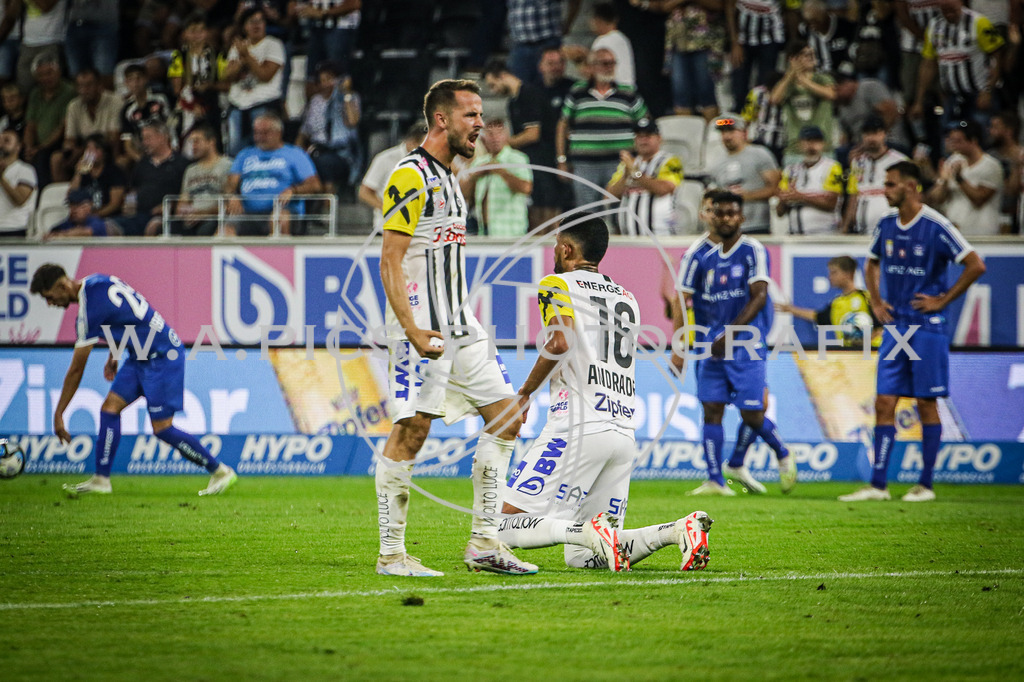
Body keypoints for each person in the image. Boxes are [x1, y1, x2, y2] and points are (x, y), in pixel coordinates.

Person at [375, 79, 533, 577]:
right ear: (442, 119)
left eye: (481, 115)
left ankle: (484, 543)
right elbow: (390, 259)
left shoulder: (450, 178)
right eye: (471, 115)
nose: (480, 124)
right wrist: (412, 330)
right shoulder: (410, 175)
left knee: (508, 416)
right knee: (413, 431)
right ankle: (391, 554)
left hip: (461, 324)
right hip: (423, 327)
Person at [496, 212, 714, 572]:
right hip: (622, 431)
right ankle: (678, 531)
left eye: (555, 245)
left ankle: (588, 532)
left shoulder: (557, 283)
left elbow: (560, 340)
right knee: (585, 559)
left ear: (566, 249)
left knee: (498, 529)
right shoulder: (626, 297)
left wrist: (524, 394)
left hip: (577, 427)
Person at [839, 161, 986, 502]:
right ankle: (878, 485)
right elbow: (872, 262)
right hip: (895, 326)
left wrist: (943, 300)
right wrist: (876, 302)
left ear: (911, 187)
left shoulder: (936, 224)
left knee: (925, 402)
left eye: (890, 184)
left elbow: (975, 263)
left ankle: (926, 484)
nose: (885, 190)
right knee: (884, 400)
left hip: (926, 327)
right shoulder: (886, 223)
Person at [29, 264, 238, 497]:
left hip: (162, 356)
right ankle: (101, 479)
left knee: (162, 428)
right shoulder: (98, 281)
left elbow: (76, 370)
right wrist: (114, 355)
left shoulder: (88, 310)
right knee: (109, 409)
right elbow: (125, 318)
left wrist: (59, 414)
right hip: (139, 357)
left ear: (62, 285)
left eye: (49, 297)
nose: (50, 303)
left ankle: (220, 470)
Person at [671, 189, 789, 496]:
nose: (724, 218)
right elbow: (681, 300)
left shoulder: (754, 250)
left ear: (741, 217)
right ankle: (715, 479)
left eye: (731, 213)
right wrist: (679, 346)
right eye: (718, 212)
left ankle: (781, 451)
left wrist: (731, 333)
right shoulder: (696, 254)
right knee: (711, 409)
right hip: (710, 345)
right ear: (709, 214)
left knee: (752, 412)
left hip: (747, 344)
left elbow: (760, 295)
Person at [556, 48, 648, 209]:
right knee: (587, 215)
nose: (609, 67)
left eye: (612, 63)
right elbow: (562, 125)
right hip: (585, 165)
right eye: (605, 63)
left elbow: (645, 124)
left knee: (618, 212)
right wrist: (562, 159)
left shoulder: (628, 93)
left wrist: (639, 158)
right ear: (592, 66)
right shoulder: (577, 92)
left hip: (618, 164)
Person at [909, 0, 1004, 128]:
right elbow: (928, 64)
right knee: (948, 137)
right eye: (945, 10)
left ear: (960, 3)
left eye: (952, 10)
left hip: (977, 94)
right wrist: (918, 100)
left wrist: (987, 91)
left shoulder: (980, 22)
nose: (949, 14)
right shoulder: (933, 26)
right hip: (951, 97)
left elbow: (997, 57)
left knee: (981, 134)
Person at [225, 113, 321, 236]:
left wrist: (293, 190)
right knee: (225, 230)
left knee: (279, 220)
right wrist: (232, 196)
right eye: (256, 132)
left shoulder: (295, 154)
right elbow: (230, 184)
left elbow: (315, 185)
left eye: (265, 133)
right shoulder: (245, 154)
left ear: (279, 132)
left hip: (283, 210)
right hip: (247, 212)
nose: (259, 137)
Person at [482, 58, 550, 230]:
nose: (494, 91)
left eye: (493, 84)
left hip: (543, 160)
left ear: (502, 76)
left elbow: (533, 134)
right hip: (529, 160)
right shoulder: (513, 102)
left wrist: (504, 143)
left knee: (546, 213)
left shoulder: (529, 94)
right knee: (534, 212)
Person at [775, 255, 880, 348]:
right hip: (849, 357)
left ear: (848, 274)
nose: (829, 277)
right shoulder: (837, 302)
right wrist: (791, 309)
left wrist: (863, 343)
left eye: (834, 272)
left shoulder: (866, 298)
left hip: (872, 355)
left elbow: (882, 327)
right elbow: (818, 317)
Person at [606, 117, 683, 236]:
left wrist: (636, 174)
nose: (643, 140)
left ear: (659, 138)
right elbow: (608, 196)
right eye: (639, 136)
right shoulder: (626, 165)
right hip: (629, 237)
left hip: (661, 235)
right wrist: (626, 175)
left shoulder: (670, 161)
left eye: (648, 136)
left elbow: (664, 189)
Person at [223, 7, 285, 156]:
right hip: (238, 105)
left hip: (263, 105)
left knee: (262, 150)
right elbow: (227, 76)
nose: (256, 25)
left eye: (260, 21)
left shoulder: (273, 44)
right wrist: (240, 63)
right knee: (234, 152)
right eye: (252, 22)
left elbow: (265, 75)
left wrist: (246, 56)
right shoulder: (237, 46)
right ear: (244, 26)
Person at [925, 120, 1004, 235]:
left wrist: (959, 179)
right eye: (951, 140)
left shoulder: (991, 166)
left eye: (958, 141)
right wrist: (943, 181)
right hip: (954, 231)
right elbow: (936, 199)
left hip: (982, 232)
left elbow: (978, 199)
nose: (953, 145)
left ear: (973, 141)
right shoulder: (952, 161)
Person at [295, 61, 362, 197]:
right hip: (316, 150)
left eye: (330, 79)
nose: (326, 84)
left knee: (324, 164)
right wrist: (296, 153)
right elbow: (304, 132)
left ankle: (328, 205)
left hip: (341, 154)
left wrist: (345, 94)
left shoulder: (350, 97)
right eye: (322, 80)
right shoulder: (315, 101)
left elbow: (352, 121)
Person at [707, 116, 781, 234]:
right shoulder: (717, 162)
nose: (727, 136)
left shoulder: (760, 154)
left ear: (744, 133)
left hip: (757, 224)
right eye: (723, 132)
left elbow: (776, 188)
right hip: (728, 228)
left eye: (731, 131)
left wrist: (747, 196)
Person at [462, 118, 533, 238]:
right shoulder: (480, 163)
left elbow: (526, 188)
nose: (495, 138)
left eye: (499, 133)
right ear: (483, 138)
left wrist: (501, 171)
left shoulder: (517, 159)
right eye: (490, 134)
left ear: (507, 135)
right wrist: (474, 176)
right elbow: (465, 195)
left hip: (511, 232)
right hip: (484, 231)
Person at [117, 121, 189, 237]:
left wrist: (170, 206)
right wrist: (129, 202)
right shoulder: (142, 164)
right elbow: (133, 189)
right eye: (143, 139)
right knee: (110, 226)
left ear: (162, 137)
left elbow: (186, 193)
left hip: (165, 217)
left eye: (148, 138)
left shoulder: (181, 163)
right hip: (138, 215)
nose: (144, 143)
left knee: (153, 226)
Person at [771, 40, 837, 165]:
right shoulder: (786, 83)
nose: (812, 58)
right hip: (794, 150)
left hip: (823, 149)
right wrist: (791, 74)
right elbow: (775, 99)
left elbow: (830, 94)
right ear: (793, 59)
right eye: (806, 54)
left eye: (813, 54)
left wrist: (803, 80)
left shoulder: (823, 78)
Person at [841, 115, 908, 234]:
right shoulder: (857, 162)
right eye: (867, 134)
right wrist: (845, 228)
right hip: (861, 231)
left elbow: (910, 195)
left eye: (876, 133)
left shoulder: (900, 161)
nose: (872, 138)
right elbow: (853, 195)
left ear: (884, 134)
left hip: (892, 230)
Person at [52, 68, 121, 182]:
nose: (84, 90)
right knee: (57, 158)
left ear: (99, 85)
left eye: (89, 85)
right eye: (80, 86)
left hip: (106, 150)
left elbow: (113, 137)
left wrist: (89, 150)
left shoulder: (115, 101)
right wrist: (70, 152)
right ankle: (66, 195)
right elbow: (70, 139)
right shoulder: (73, 106)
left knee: (117, 159)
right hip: (83, 150)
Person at [165, 123, 233, 236]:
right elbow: (183, 200)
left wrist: (202, 214)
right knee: (168, 228)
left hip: (214, 217)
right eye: (192, 142)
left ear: (211, 141)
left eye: (197, 141)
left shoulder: (227, 165)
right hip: (191, 217)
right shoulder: (190, 170)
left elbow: (228, 205)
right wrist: (184, 211)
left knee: (207, 229)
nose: (193, 146)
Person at [167, 12, 224, 145]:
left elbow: (226, 84)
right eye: (192, 31)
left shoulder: (218, 56)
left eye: (200, 31)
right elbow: (177, 89)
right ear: (185, 34)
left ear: (206, 33)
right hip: (188, 104)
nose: (197, 35)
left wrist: (210, 86)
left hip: (214, 103)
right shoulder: (178, 56)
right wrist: (193, 105)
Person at [358, 121, 426, 233]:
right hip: (389, 230)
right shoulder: (386, 159)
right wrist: (389, 209)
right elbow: (364, 192)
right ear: (412, 142)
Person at [777, 124, 844, 234]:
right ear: (800, 144)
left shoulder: (832, 167)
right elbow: (779, 212)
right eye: (807, 141)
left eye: (816, 141)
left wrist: (800, 196)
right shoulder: (790, 170)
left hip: (824, 233)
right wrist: (784, 199)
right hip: (795, 233)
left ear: (823, 144)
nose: (811, 146)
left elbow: (832, 204)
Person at [726, 0, 789, 113]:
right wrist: (734, 42)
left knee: (765, 84)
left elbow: (790, 9)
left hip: (770, 39)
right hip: (742, 40)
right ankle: (739, 116)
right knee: (739, 85)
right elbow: (730, 7)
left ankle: (761, 116)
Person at [23, 53, 75, 187]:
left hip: (60, 142)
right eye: (41, 75)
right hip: (38, 145)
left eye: (49, 73)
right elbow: (30, 125)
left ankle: (44, 195)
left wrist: (40, 148)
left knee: (43, 157)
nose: (46, 78)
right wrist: (29, 147)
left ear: (58, 72)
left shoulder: (69, 91)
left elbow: (62, 126)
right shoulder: (35, 93)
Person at [506, 0, 581, 85]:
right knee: (521, 86)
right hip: (520, 44)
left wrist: (568, 23)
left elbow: (575, 2)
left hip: (548, 42)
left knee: (550, 84)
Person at [563, 2, 636, 86]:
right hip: (629, 89)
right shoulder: (623, 39)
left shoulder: (602, 41)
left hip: (615, 93)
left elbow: (591, 73)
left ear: (597, 20)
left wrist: (577, 61)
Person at [117, 64, 172, 169]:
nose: (135, 83)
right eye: (131, 80)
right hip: (144, 152)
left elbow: (172, 126)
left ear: (146, 79)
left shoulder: (161, 97)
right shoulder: (127, 109)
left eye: (138, 78)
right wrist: (142, 161)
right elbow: (127, 144)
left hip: (166, 146)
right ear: (126, 83)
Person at [295, 0, 361, 83]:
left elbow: (354, 4)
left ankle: (338, 95)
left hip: (341, 26)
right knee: (313, 76)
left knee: (336, 74)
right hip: (316, 27)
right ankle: (316, 95)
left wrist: (322, 13)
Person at [68, 134, 127, 218]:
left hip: (108, 218)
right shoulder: (83, 173)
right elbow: (71, 195)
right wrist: (78, 173)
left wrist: (94, 216)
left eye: (96, 148)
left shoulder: (114, 172)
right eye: (88, 148)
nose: (91, 152)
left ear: (104, 152)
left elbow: (114, 204)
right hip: (82, 218)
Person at [64, 0, 120, 88]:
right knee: (76, 75)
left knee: (103, 72)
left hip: (104, 22)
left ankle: (107, 101)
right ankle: (81, 101)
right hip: (74, 23)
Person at [988, 111, 1022, 232]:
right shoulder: (990, 157)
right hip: (996, 213)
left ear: (1009, 131)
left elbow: (1012, 191)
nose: (990, 131)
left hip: (1017, 213)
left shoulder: (1021, 155)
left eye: (995, 127)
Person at [0, 127, 37, 238]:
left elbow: (20, 200)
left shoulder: (25, 170)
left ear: (18, 147)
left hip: (13, 228)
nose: (1, 144)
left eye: (7, 140)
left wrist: (1, 179)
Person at [44, 188, 119, 239]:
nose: (74, 210)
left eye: (78, 206)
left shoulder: (97, 222)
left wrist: (63, 235)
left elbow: (87, 232)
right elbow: (52, 232)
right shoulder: (66, 224)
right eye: (71, 205)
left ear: (89, 207)